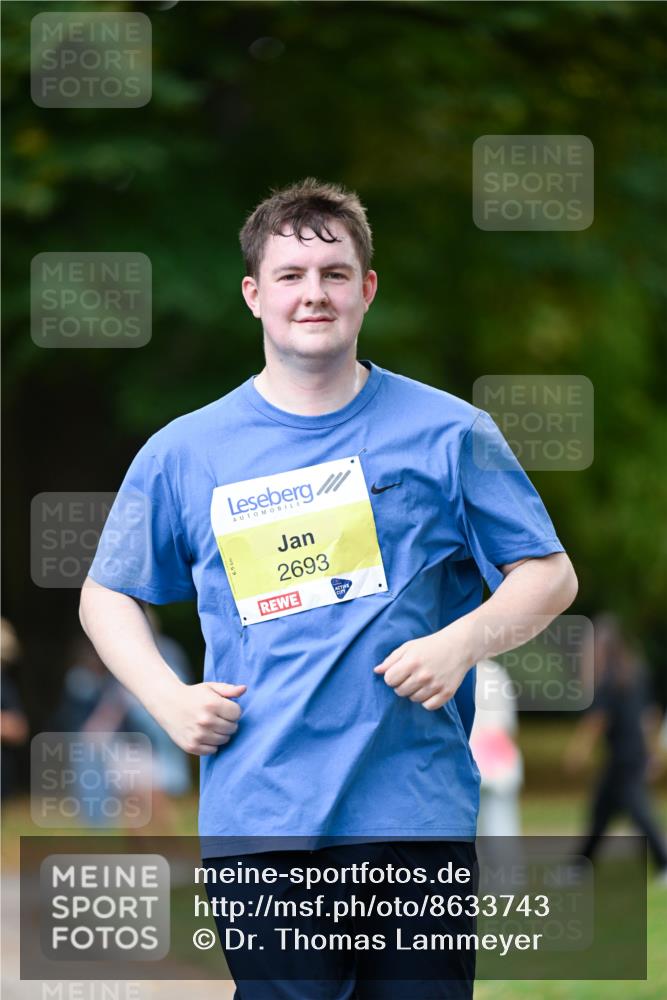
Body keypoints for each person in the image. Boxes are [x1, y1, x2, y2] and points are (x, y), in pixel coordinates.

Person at [79, 178, 578, 998]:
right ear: (254, 294)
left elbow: (548, 573)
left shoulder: (450, 432)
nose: (313, 293)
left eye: (334, 273)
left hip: (412, 811)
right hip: (260, 817)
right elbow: (106, 594)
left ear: (365, 289)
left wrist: (461, 643)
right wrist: (166, 700)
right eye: (290, 275)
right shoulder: (185, 452)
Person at [565, 613, 667, 881]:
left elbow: (597, 721)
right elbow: (650, 716)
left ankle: (664, 863)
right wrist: (652, 753)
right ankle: (579, 866)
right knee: (602, 813)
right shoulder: (636, 672)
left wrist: (578, 752)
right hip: (631, 755)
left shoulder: (609, 679)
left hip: (623, 759)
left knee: (639, 814)